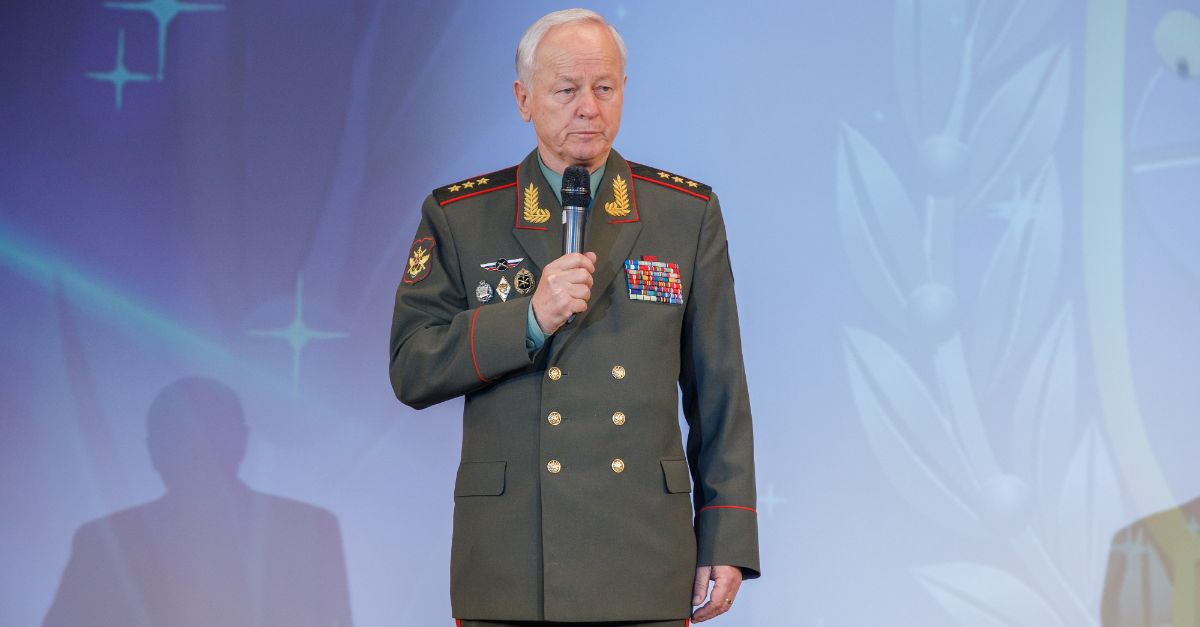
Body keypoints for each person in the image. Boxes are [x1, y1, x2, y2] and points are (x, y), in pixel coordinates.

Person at [389, 9, 759, 625]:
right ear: (524, 99)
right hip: (512, 558)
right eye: (566, 90)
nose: (589, 107)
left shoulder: (684, 214)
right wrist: (528, 320)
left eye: (604, 87)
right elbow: (411, 366)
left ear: (623, 91)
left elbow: (720, 391)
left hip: (643, 552)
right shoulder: (460, 216)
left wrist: (726, 536)